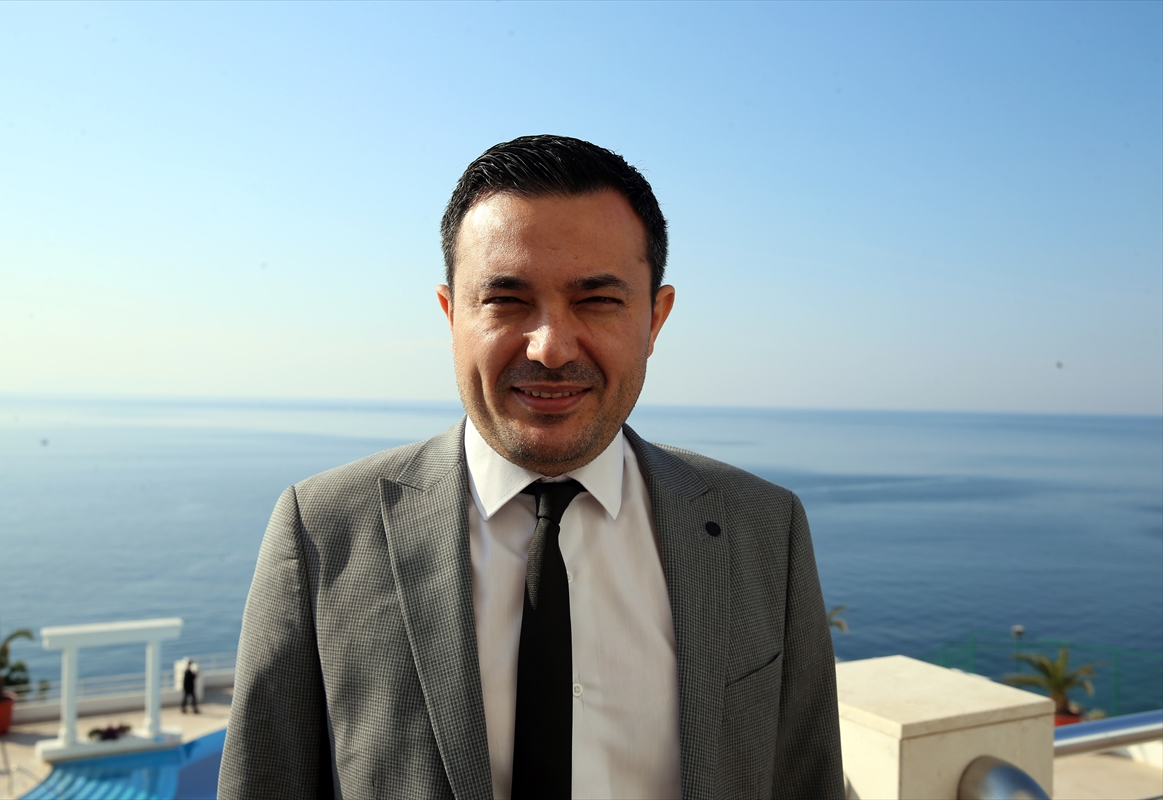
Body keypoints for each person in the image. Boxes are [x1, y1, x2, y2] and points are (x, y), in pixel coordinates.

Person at [219, 135, 842, 799]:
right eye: (507, 300)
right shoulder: (321, 531)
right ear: (451, 314)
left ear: (655, 319)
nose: (550, 348)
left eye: (598, 301)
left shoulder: (763, 528)